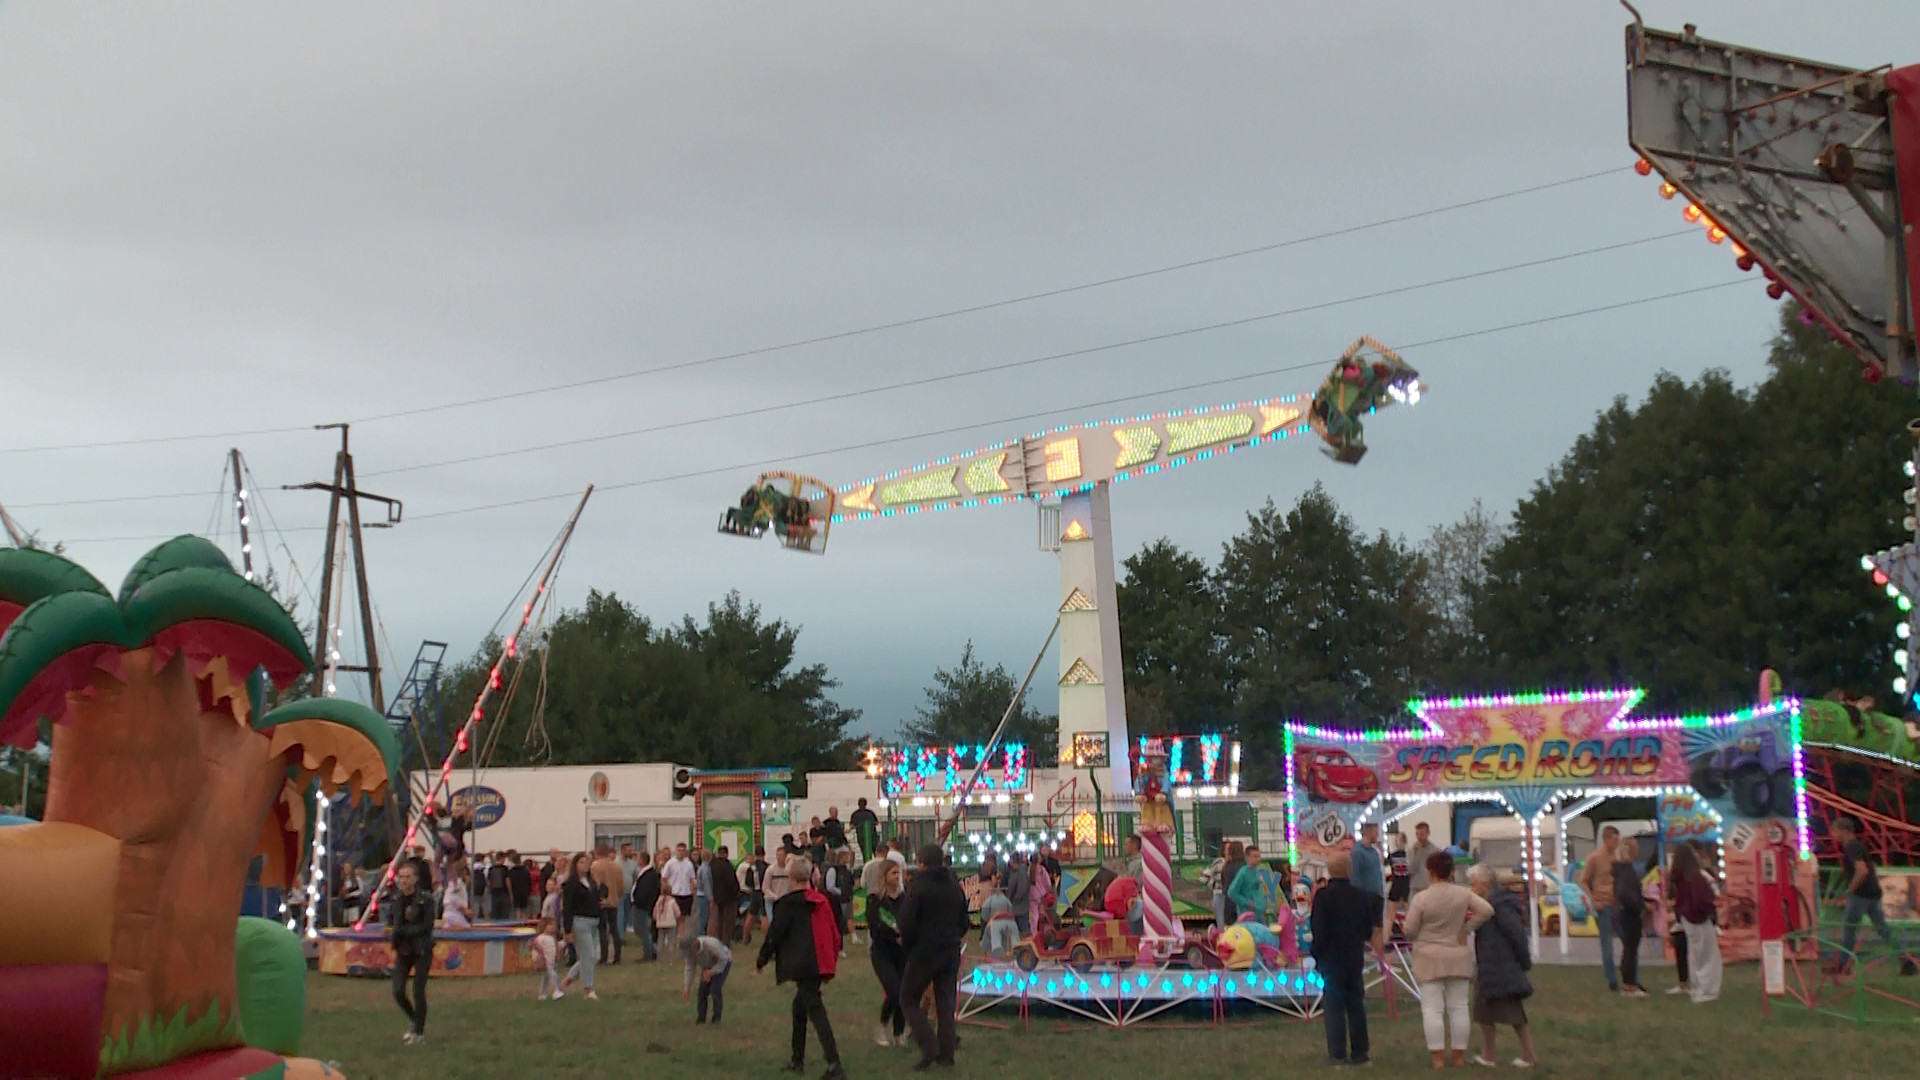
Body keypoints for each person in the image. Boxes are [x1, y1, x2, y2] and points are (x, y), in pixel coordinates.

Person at [757, 855, 847, 1079]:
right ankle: (797, 1060)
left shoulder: (787, 904)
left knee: (815, 1011)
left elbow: (774, 935)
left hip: (802, 964)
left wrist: (762, 958)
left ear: (790, 877)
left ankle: (834, 1063)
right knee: (799, 1008)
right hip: (818, 962)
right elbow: (834, 933)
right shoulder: (820, 901)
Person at [1402, 849, 1492, 1070]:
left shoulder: (1421, 898)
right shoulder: (1463, 894)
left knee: (1432, 1009)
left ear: (1430, 871)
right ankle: (1459, 1057)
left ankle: (1438, 1058)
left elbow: (1410, 930)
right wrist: (1467, 928)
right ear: (1451, 871)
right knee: (1459, 1007)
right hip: (1457, 954)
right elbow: (1487, 910)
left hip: (1429, 957)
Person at [899, 843, 969, 1071]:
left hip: (925, 951)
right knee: (945, 1002)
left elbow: (907, 923)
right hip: (950, 950)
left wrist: (909, 946)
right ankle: (947, 1053)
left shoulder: (918, 886)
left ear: (921, 862)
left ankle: (929, 1044)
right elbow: (964, 922)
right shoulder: (954, 886)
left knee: (908, 999)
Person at [1310, 851, 1383, 1067]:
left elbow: (1318, 930)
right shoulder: (1361, 895)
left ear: (1329, 871)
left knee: (1333, 1007)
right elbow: (1367, 929)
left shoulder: (1323, 896)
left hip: (1331, 959)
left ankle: (1338, 1054)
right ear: (1349, 870)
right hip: (1353, 957)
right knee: (1356, 1006)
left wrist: (1317, 954)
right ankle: (1361, 1052)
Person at [1466, 864, 1538, 1068]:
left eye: (1475, 883)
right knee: (1483, 1012)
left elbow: (1516, 934)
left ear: (1486, 882)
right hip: (1491, 966)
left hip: (1502, 965)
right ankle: (1490, 1054)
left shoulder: (1501, 904)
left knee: (1514, 1013)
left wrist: (1524, 960)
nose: (1473, 887)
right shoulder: (1489, 902)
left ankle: (1529, 1054)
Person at [1666, 840, 1722, 1003]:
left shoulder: (1677, 877)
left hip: (1686, 919)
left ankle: (1697, 989)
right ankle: (1707, 991)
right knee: (1709, 957)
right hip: (1699, 919)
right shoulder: (1696, 877)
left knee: (1695, 956)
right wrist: (1710, 908)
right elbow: (1702, 899)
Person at [389, 862, 435, 1044]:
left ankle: (419, 1032)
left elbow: (427, 926)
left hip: (421, 949)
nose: (404, 881)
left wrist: (403, 932)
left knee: (418, 990)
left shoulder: (425, 899)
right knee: (398, 991)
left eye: (408, 877)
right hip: (403, 950)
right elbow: (395, 923)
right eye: (401, 877)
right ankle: (415, 1019)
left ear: (415, 879)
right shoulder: (397, 899)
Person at [867, 857, 909, 1047]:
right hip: (882, 952)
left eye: (898, 872)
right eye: (893, 873)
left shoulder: (905, 898)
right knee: (893, 990)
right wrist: (894, 937)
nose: (897, 876)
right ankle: (883, 1025)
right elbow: (875, 928)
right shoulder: (875, 900)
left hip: (902, 953)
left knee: (903, 993)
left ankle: (899, 1033)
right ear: (884, 876)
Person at [1577, 824, 1622, 992]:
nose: (1616, 844)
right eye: (1614, 840)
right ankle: (1611, 980)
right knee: (1607, 942)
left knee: (1627, 939)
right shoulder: (1594, 858)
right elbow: (1583, 881)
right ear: (1606, 839)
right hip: (1602, 904)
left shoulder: (1617, 859)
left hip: (1616, 903)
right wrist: (1593, 899)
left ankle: (1628, 976)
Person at [559, 852, 602, 1001]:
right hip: (580, 921)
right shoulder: (571, 883)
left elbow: (596, 899)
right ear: (575, 865)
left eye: (587, 862)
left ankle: (567, 980)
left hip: (593, 921)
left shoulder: (591, 881)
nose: (585, 865)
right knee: (588, 955)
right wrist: (568, 929)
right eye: (581, 862)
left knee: (593, 956)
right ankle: (588, 989)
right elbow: (567, 908)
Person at [1613, 836, 1649, 998]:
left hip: (1629, 912)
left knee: (1630, 949)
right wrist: (1637, 904)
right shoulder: (1625, 870)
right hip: (1629, 913)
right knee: (1630, 949)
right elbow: (1624, 893)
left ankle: (1631, 982)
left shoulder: (1622, 869)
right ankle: (1629, 985)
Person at [682, 931, 733, 1024]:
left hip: (723, 962)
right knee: (702, 991)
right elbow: (690, 968)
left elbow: (724, 959)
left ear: (695, 943)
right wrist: (687, 987)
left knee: (715, 989)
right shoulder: (690, 953)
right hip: (707, 965)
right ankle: (701, 1019)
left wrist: (712, 972)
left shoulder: (711, 945)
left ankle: (716, 1018)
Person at [591, 844, 625, 964]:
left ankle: (604, 956)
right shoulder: (617, 866)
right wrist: (616, 896)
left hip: (601, 901)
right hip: (613, 901)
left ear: (597, 853)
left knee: (602, 929)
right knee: (614, 929)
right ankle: (617, 956)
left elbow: (594, 884)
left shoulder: (595, 866)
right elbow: (621, 886)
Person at [1228, 845, 1277, 925]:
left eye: (1259, 856)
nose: (1258, 859)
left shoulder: (1258, 871)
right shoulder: (1243, 873)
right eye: (1255, 856)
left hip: (1260, 913)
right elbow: (1231, 892)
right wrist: (1246, 902)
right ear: (1247, 858)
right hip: (1247, 915)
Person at [630, 849, 663, 962]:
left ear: (642, 860)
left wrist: (638, 901)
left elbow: (646, 891)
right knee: (640, 929)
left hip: (641, 906)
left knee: (642, 930)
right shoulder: (643, 872)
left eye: (638, 858)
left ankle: (649, 954)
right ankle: (653, 950)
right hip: (640, 905)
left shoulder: (649, 874)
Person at [824, 850, 857, 950]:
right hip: (840, 899)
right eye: (845, 856)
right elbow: (830, 887)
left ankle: (853, 936)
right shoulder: (834, 870)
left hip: (846, 896)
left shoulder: (845, 869)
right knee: (840, 920)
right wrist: (841, 892)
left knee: (848, 917)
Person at [710, 845, 742, 943]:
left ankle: (718, 939)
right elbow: (731, 881)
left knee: (719, 920)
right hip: (729, 897)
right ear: (726, 854)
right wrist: (736, 892)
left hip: (716, 896)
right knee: (728, 921)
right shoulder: (727, 866)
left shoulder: (712, 865)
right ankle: (725, 941)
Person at [980, 876, 1017, 958]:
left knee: (990, 935)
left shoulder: (989, 900)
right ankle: (1011, 950)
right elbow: (1011, 911)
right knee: (1008, 937)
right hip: (1008, 922)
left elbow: (984, 914)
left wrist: (987, 920)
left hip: (995, 923)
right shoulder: (1006, 900)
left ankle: (989, 949)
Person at [1351, 822, 1386, 906]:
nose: (1377, 836)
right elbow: (1355, 876)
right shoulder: (1357, 852)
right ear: (1369, 832)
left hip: (1377, 896)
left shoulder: (1374, 852)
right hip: (1365, 898)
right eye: (1376, 833)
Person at [664, 842, 697, 930]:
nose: (680, 853)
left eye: (683, 851)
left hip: (686, 894)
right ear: (676, 851)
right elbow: (664, 878)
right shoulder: (670, 863)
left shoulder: (689, 864)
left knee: (683, 918)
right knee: (674, 917)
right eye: (679, 850)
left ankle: (680, 937)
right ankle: (672, 935)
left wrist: (693, 890)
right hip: (674, 893)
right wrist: (666, 891)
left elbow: (692, 878)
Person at [742, 847, 770, 945]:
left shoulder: (751, 867)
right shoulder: (767, 867)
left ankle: (745, 938)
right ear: (764, 854)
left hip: (754, 892)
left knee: (751, 915)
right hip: (763, 893)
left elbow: (747, 882)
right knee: (765, 916)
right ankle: (766, 939)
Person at [1407, 822, 1442, 897]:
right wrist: (1415, 853)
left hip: (1430, 888)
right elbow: (1410, 870)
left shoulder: (1435, 851)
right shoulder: (1411, 850)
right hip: (1415, 889)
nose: (1419, 837)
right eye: (1417, 834)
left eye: (1422, 834)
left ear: (1428, 833)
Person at [532, 916, 563, 1000]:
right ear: (544, 926)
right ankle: (556, 991)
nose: (553, 927)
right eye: (550, 925)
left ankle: (542, 994)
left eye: (554, 925)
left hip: (552, 962)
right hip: (546, 961)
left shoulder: (553, 938)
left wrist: (558, 955)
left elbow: (556, 948)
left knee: (546, 978)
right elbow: (535, 947)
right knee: (553, 976)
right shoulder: (541, 938)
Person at [1387, 833, 1412, 931]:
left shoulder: (1409, 855)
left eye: (1401, 840)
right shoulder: (1392, 856)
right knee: (1391, 913)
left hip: (1406, 884)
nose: (1399, 842)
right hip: (1397, 884)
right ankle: (1388, 936)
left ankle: (1409, 934)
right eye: (1398, 840)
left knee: (1408, 912)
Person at [1004, 852, 1032, 936]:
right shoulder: (1014, 872)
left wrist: (1015, 899)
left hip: (1020, 907)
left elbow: (1022, 889)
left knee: (1024, 930)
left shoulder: (1021, 872)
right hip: (1016, 907)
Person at [617, 842, 640, 944]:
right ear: (622, 850)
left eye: (631, 850)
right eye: (628, 850)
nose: (631, 852)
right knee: (620, 914)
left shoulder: (633, 864)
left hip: (629, 892)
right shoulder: (616, 862)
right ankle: (620, 937)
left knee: (626, 915)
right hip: (619, 892)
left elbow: (637, 876)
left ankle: (623, 934)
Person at [1204, 844, 1231, 929]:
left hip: (1229, 895)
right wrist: (1213, 884)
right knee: (1221, 921)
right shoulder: (1219, 862)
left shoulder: (1233, 864)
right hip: (1219, 893)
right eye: (1228, 849)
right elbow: (1205, 875)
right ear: (1223, 851)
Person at [441, 857, 473, 929]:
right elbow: (454, 899)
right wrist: (465, 910)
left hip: (451, 914)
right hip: (454, 914)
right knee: (466, 930)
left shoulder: (455, 882)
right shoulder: (457, 883)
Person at [693, 848, 714, 945]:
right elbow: (706, 884)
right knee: (703, 919)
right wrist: (710, 897)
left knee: (701, 918)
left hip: (699, 895)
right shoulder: (706, 869)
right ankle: (701, 940)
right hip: (703, 896)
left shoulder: (700, 867)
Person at [508, 851, 533, 920]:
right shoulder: (525, 870)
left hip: (515, 892)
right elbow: (529, 882)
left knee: (517, 910)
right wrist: (528, 891)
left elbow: (509, 882)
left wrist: (511, 894)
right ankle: (525, 922)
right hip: (524, 892)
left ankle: (518, 923)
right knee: (524, 909)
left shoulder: (511, 871)